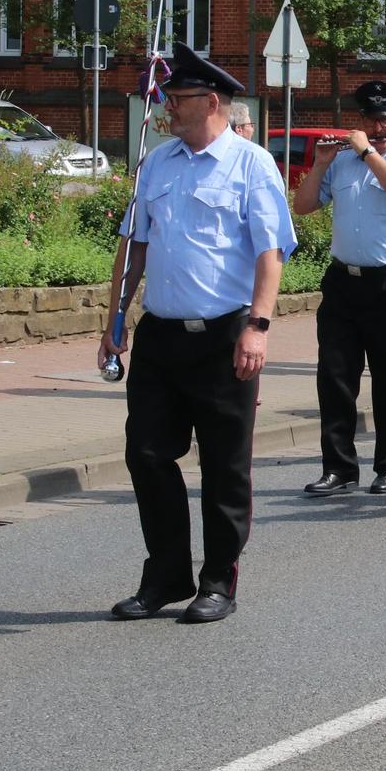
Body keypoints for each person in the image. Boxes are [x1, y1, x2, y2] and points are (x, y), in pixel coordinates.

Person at [98, 50, 293, 624]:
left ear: (211, 103)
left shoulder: (252, 164)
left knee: (224, 465)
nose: (166, 109)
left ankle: (217, 582)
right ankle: (165, 576)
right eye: (166, 99)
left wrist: (257, 326)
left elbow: (270, 251)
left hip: (224, 335)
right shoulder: (158, 165)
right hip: (161, 335)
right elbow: (134, 245)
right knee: (147, 454)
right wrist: (115, 321)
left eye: (176, 101)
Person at [294, 80, 386, 496]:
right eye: (370, 120)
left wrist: (367, 152)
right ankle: (339, 468)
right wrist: (320, 163)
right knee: (334, 376)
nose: (377, 127)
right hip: (344, 281)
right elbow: (302, 206)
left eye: (385, 120)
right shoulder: (342, 160)